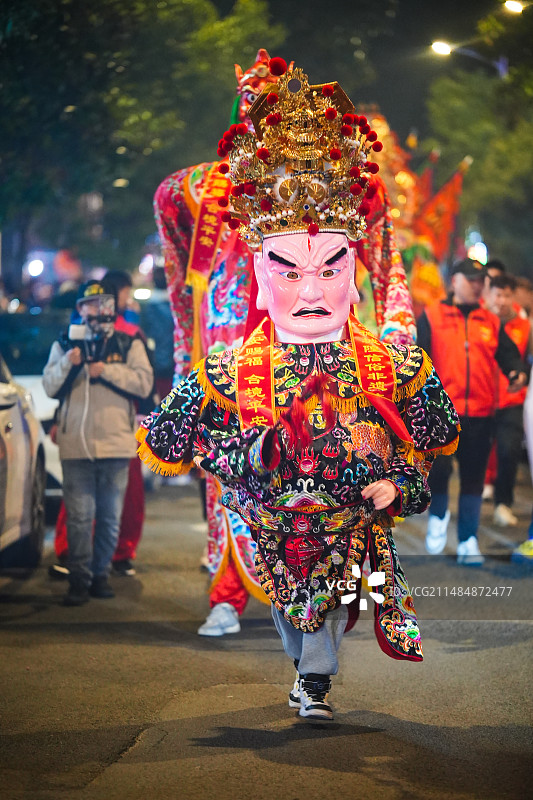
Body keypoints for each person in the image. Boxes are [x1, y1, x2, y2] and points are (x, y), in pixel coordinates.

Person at [137, 62, 460, 720]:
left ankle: (313, 678)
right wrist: (234, 460)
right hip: (271, 521)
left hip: (348, 522)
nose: (311, 291)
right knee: (294, 609)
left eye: (330, 268)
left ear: (350, 271)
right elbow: (170, 437)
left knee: (327, 611)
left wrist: (398, 481)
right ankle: (299, 660)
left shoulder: (391, 365)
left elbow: (431, 436)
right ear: (259, 276)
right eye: (287, 271)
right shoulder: (226, 369)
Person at [43, 281, 153, 605]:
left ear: (112, 309)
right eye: (90, 305)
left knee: (108, 516)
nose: (97, 310)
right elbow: (49, 385)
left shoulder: (129, 341)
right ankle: (78, 579)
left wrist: (107, 371)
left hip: (117, 444)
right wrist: (69, 362)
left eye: (103, 303)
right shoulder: (64, 343)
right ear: (80, 310)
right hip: (75, 445)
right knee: (79, 515)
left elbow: (144, 382)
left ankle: (101, 575)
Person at [418, 259, 527, 565]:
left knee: (473, 478)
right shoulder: (431, 316)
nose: (478, 285)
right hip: (442, 412)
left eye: (481, 280)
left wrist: (517, 373)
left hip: (480, 413)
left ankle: (468, 540)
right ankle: (438, 514)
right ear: (454, 281)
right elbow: (419, 358)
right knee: (438, 471)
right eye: (471, 279)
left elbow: (508, 355)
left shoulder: (490, 320)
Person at [484, 274, 531, 526]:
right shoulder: (479, 321)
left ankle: (503, 503)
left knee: (508, 450)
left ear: (513, 297)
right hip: (481, 400)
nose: (501, 301)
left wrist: (520, 375)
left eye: (506, 295)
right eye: (497, 294)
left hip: (512, 400)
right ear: (488, 294)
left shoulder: (525, 327)